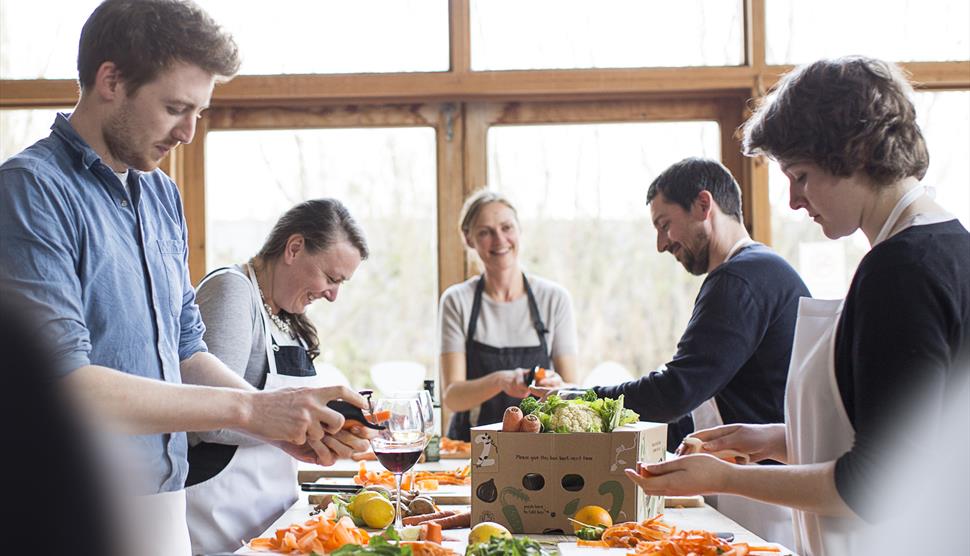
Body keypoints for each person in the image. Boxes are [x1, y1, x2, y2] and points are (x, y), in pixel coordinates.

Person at [0, 2, 370, 554]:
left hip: (167, 501)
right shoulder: (30, 192)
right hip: (71, 512)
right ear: (111, 80)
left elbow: (187, 349)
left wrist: (278, 425)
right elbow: (65, 386)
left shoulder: (160, 195)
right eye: (176, 107)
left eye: (199, 110)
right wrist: (253, 409)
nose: (190, 132)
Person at [626, 56, 970, 556]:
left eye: (801, 175)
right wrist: (772, 439)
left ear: (854, 154)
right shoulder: (945, 246)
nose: (792, 200)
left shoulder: (901, 272)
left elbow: (874, 484)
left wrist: (726, 478)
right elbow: (912, 437)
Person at [564, 157, 809, 545]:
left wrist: (582, 401)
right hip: (759, 487)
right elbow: (701, 397)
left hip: (765, 500)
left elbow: (676, 391)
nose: (662, 244)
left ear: (702, 205)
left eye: (664, 225)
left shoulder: (739, 277)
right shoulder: (757, 270)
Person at [184, 198, 368, 554]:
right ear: (294, 248)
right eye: (331, 278)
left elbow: (279, 411)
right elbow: (205, 416)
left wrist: (335, 422)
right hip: (219, 519)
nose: (333, 296)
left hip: (268, 518)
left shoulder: (287, 316)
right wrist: (304, 427)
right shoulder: (233, 291)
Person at [439, 189, 578, 441]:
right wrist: (501, 381)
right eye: (485, 232)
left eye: (507, 227)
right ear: (469, 240)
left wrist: (557, 385)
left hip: (538, 448)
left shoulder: (555, 299)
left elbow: (573, 389)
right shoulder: (457, 301)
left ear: (519, 231)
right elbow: (452, 397)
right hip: (470, 447)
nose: (499, 239)